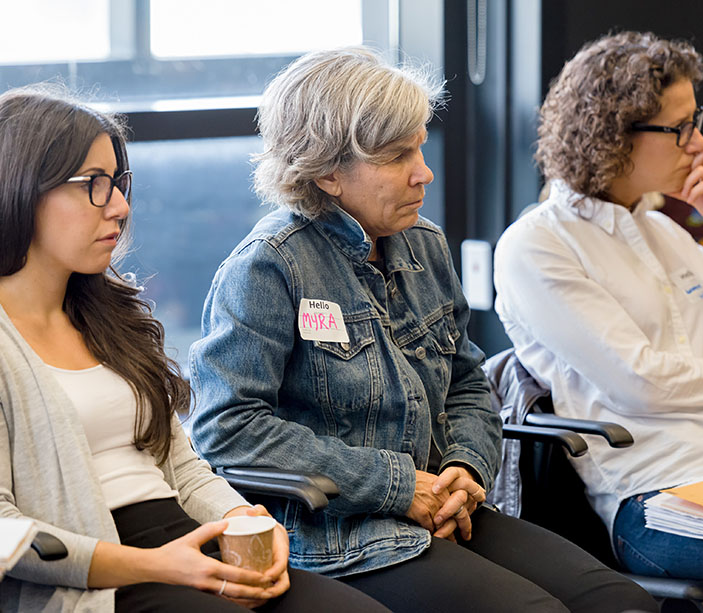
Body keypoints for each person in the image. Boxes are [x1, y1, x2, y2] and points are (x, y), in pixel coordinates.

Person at [187, 47, 657, 613]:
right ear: (328, 172)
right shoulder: (269, 267)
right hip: (343, 536)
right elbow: (226, 428)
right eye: (396, 156)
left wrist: (465, 469)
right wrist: (399, 486)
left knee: (622, 602)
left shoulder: (424, 244)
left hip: (445, 508)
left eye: (420, 145)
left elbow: (468, 380)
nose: (424, 172)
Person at [0, 85, 389, 613]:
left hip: (186, 544)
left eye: (118, 183)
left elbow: (182, 468)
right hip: (102, 576)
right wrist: (159, 564)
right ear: (19, 188)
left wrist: (244, 520)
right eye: (93, 184)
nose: (118, 206)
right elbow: (7, 532)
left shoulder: (106, 318)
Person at [493, 30, 703, 584]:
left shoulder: (668, 233)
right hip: (660, 495)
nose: (698, 144)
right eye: (680, 127)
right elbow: (637, 380)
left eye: (697, 120)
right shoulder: (536, 245)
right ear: (612, 135)